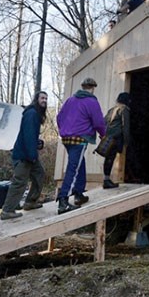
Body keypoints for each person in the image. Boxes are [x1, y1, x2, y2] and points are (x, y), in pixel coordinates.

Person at [56, 77, 106, 214]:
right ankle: (63, 201)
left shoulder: (70, 100)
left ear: (82, 86)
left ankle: (79, 193)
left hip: (66, 139)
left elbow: (59, 117)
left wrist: (64, 131)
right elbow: (98, 122)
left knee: (79, 162)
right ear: (93, 88)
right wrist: (103, 134)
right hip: (79, 139)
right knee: (73, 167)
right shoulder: (91, 101)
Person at [0, 91, 48, 220]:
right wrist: (31, 155)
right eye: (42, 98)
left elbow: (31, 136)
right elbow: (27, 136)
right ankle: (7, 210)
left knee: (39, 174)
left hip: (30, 153)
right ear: (36, 99)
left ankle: (30, 202)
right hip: (24, 155)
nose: (44, 100)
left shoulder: (35, 114)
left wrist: (37, 143)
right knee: (19, 182)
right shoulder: (31, 113)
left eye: (46, 98)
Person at [101, 92, 131, 189]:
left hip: (108, 137)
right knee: (111, 157)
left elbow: (103, 122)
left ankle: (106, 179)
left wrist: (103, 135)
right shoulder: (124, 109)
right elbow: (125, 126)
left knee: (108, 158)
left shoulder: (111, 110)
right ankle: (106, 181)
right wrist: (127, 142)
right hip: (116, 137)